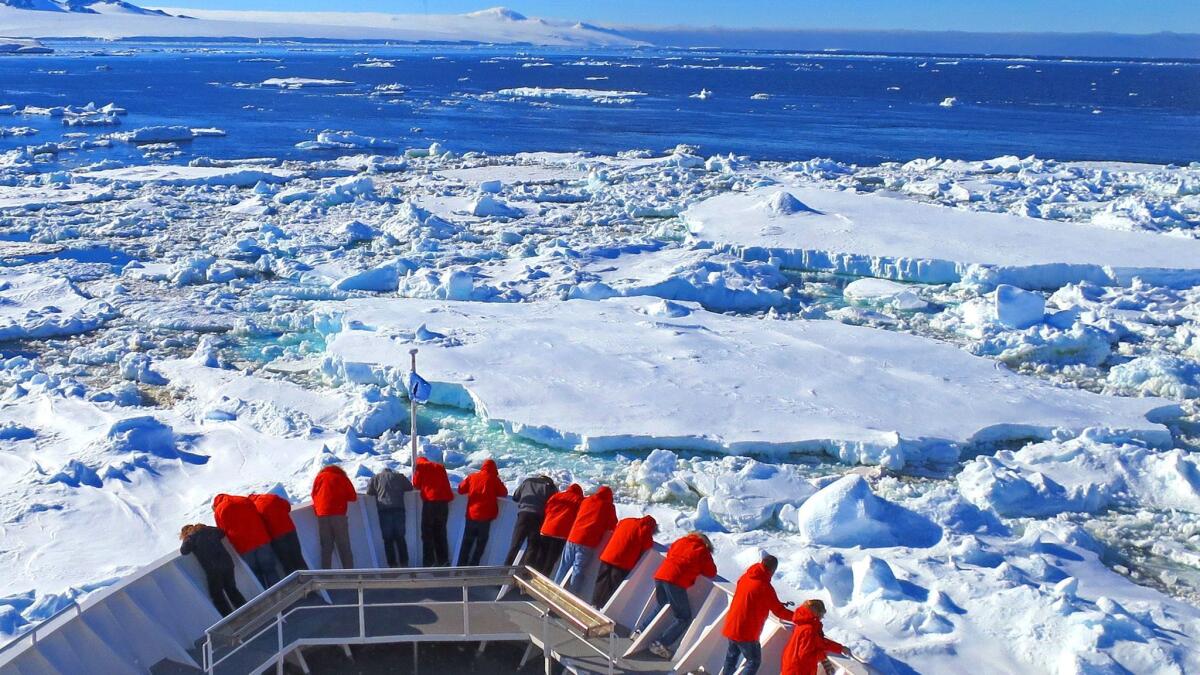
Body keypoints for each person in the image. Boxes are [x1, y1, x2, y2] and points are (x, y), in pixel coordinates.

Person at [639, 532, 717, 660]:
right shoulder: (702, 551)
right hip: (675, 581)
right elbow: (711, 572)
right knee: (684, 617)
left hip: (661, 575)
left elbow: (671, 554)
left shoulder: (681, 541)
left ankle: (640, 631)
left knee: (661, 604)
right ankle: (660, 643)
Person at [720, 555, 793, 675]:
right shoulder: (765, 587)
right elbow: (779, 612)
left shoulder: (746, 576)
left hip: (731, 625)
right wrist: (800, 616)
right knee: (753, 661)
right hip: (746, 633)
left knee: (731, 657)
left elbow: (751, 596)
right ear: (773, 570)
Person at [555, 485, 617, 595]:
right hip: (586, 542)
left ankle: (555, 589)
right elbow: (612, 525)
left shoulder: (586, 500)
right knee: (578, 571)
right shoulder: (608, 506)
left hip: (572, 537)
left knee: (563, 566)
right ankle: (572, 596)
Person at [212, 493, 281, 588]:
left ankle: (268, 596)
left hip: (244, 546)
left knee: (256, 573)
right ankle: (281, 592)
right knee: (270, 569)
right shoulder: (243, 499)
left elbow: (222, 530)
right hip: (261, 539)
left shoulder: (219, 511)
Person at [180, 523, 247, 616]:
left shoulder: (191, 538)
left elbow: (184, 551)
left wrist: (186, 538)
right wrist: (206, 527)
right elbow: (221, 532)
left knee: (217, 595)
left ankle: (229, 617)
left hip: (213, 570)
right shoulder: (209, 530)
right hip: (227, 563)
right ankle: (246, 610)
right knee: (231, 589)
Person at [592, 515, 657, 608]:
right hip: (622, 562)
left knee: (601, 581)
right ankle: (603, 607)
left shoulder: (626, 520)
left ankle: (594, 603)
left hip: (608, 555)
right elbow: (648, 546)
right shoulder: (645, 529)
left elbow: (615, 528)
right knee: (613, 586)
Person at [456, 459, 509, 566]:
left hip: (471, 515)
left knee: (466, 542)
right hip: (485, 518)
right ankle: (473, 566)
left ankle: (460, 566)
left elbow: (461, 489)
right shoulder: (494, 479)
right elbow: (504, 493)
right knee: (480, 544)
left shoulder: (472, 476)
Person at [781, 599, 849, 675]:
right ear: (816, 613)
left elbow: (819, 642)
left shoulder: (802, 624)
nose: (822, 617)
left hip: (791, 666)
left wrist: (839, 648)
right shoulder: (809, 630)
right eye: (821, 614)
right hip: (799, 670)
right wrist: (824, 659)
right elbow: (805, 655)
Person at [504, 473, 558, 567]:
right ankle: (525, 572)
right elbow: (553, 504)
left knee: (515, 544)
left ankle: (506, 567)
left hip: (523, 515)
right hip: (538, 517)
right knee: (532, 546)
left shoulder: (527, 481)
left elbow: (516, 497)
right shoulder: (550, 487)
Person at [531, 483, 584, 576]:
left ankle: (530, 578)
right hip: (561, 534)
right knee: (550, 561)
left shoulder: (557, 495)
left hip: (546, 530)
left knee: (540, 557)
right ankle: (541, 582)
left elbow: (547, 508)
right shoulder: (579, 500)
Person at [312, 464, 358, 569]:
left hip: (322, 515)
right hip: (338, 514)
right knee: (344, 547)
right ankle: (350, 575)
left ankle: (326, 577)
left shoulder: (319, 478)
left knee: (326, 548)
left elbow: (314, 495)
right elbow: (353, 497)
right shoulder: (341, 477)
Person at [250, 492, 308, 575]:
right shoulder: (272, 496)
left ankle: (297, 585)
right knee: (298, 557)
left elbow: (259, 524)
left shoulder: (255, 507)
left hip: (276, 536)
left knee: (287, 563)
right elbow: (287, 506)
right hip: (290, 530)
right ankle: (311, 583)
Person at [367, 467, 414, 567]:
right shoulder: (399, 477)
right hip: (398, 509)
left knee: (388, 540)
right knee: (400, 538)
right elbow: (410, 487)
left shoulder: (375, 478)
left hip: (384, 510)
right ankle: (404, 563)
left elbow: (369, 492)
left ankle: (392, 564)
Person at [414, 451, 453, 567]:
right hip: (443, 503)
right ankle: (443, 560)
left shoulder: (421, 467)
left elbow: (416, 484)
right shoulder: (439, 466)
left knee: (427, 533)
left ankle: (429, 561)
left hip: (430, 503)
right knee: (440, 532)